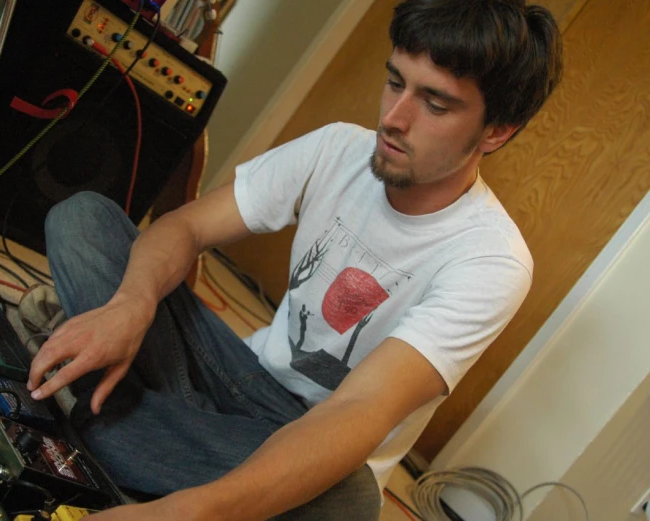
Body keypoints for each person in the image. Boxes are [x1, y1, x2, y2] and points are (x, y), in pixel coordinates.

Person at [27, 0, 563, 519]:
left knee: (347, 502)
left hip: (322, 435)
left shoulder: (492, 261)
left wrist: (192, 512)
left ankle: (112, 417)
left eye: (436, 104)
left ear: (496, 131)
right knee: (84, 221)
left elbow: (359, 412)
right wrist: (130, 305)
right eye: (395, 82)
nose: (394, 119)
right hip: (242, 374)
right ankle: (152, 432)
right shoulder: (337, 149)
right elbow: (185, 227)